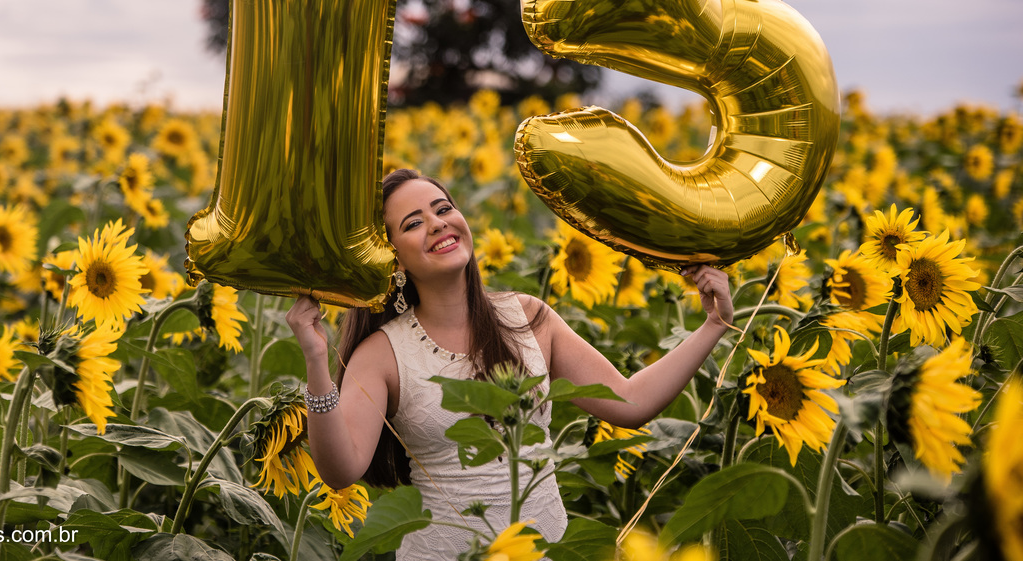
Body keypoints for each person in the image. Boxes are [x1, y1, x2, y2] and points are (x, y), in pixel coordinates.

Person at [286, 169, 734, 559]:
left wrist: (713, 324)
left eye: (443, 209)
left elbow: (631, 402)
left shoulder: (528, 317)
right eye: (413, 223)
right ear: (393, 259)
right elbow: (341, 469)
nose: (438, 224)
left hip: (543, 550)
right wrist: (315, 358)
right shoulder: (382, 353)